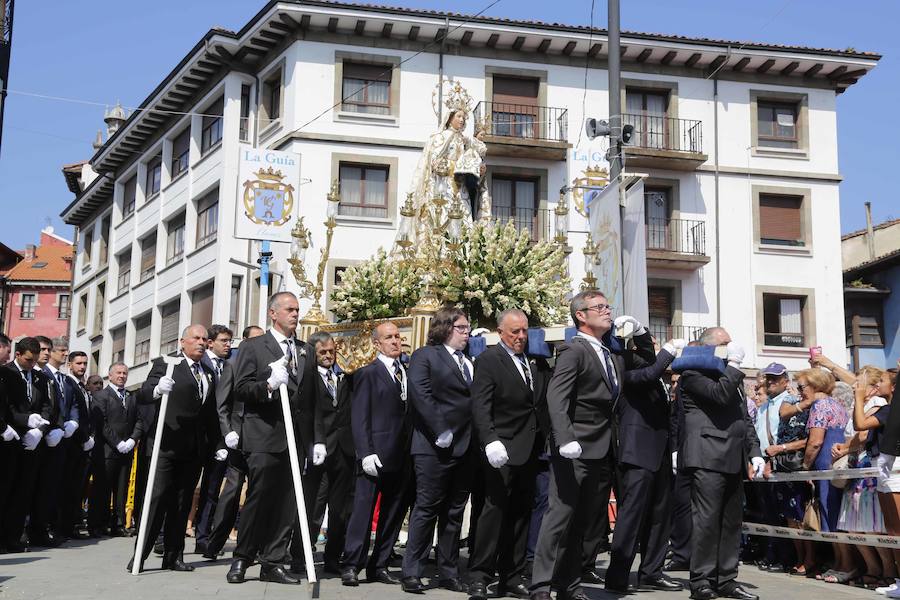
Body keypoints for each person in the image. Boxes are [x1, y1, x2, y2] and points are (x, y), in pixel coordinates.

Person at [529, 291, 623, 600]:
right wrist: (565, 438)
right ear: (581, 315)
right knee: (559, 518)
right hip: (574, 449)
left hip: (599, 449)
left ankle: (568, 585)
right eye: (600, 307)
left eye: (607, 306)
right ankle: (541, 585)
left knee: (582, 521)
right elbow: (556, 397)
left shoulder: (606, 352)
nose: (607, 311)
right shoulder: (574, 349)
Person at [226, 292, 317, 585]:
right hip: (264, 435)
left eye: (297, 310)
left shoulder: (306, 351)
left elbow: (311, 399)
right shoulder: (253, 347)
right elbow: (240, 388)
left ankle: (273, 561)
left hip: (296, 440)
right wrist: (267, 386)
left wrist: (316, 440)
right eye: (289, 309)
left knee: (288, 502)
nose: (295, 314)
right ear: (273, 313)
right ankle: (242, 558)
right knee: (260, 498)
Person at [468, 309, 552, 600]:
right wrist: (490, 440)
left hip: (530, 449)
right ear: (501, 332)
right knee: (493, 513)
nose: (520, 337)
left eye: (524, 331)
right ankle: (479, 575)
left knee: (521, 514)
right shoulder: (489, 360)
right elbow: (480, 405)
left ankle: (511, 575)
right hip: (501, 449)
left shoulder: (534, 361)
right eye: (514, 332)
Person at [678, 327, 761, 600]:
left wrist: (755, 452)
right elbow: (719, 395)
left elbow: (744, 419)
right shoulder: (693, 375)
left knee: (731, 522)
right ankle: (701, 581)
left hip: (733, 457)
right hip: (707, 455)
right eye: (725, 344)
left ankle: (726, 579)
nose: (730, 348)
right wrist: (735, 366)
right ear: (709, 348)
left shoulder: (731, 378)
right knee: (707, 522)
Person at [129, 324, 216, 572]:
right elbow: (143, 394)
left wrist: (216, 443)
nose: (201, 342)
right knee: (157, 500)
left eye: (204, 339)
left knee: (182, 502)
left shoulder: (207, 371)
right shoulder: (167, 364)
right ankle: (140, 555)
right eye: (196, 338)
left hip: (193, 449)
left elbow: (208, 412)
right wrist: (157, 389)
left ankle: (174, 555)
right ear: (182, 341)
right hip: (166, 444)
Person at [604, 331, 685, 593]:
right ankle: (617, 575)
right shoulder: (626, 368)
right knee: (631, 517)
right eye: (650, 344)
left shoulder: (657, 375)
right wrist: (668, 350)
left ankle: (652, 572)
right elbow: (649, 370)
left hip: (659, 452)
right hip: (637, 452)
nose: (656, 347)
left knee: (660, 516)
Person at [401, 307, 474, 594]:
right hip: (434, 446)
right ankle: (412, 571)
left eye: (468, 328)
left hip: (465, 446)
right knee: (427, 508)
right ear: (445, 328)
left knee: (454, 512)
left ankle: (448, 570)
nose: (467, 333)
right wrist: (440, 428)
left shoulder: (468, 361)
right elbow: (421, 393)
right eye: (462, 328)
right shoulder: (425, 356)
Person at [341, 321, 411, 586]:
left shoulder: (406, 370)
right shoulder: (368, 373)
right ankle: (351, 564)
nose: (395, 341)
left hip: (401, 454)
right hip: (375, 454)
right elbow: (360, 416)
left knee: (392, 512)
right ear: (377, 343)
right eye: (389, 337)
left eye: (398, 336)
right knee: (363, 510)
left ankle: (379, 564)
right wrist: (365, 452)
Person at [203, 325, 263, 560]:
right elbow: (222, 404)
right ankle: (215, 543)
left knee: (257, 495)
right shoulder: (233, 365)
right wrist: (228, 431)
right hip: (238, 439)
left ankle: (251, 544)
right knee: (230, 493)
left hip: (261, 440)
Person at [299, 331, 354, 575]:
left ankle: (333, 557)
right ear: (313, 353)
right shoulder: (308, 378)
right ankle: (301, 555)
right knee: (313, 506)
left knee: (340, 509)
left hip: (343, 450)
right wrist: (315, 442)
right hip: (319, 450)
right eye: (323, 352)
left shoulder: (343, 377)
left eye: (332, 351)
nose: (329, 356)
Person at [796, 368, 849, 583]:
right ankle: (840, 562)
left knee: (830, 514)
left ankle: (843, 564)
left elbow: (816, 441)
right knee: (836, 515)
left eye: (802, 387)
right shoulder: (838, 405)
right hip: (836, 466)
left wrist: (806, 465)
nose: (799, 392)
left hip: (825, 466)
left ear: (816, 385)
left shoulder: (820, 406)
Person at [0, 337, 53, 552]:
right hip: (10, 439)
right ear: (18, 354)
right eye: (28, 360)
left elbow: (48, 407)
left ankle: (13, 538)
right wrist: (24, 420)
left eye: (34, 360)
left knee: (24, 491)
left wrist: (39, 430)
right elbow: (6, 407)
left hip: (32, 442)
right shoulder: (6, 373)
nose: (32, 365)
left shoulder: (40, 378)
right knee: (6, 490)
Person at [88, 362, 142, 538]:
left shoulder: (132, 396)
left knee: (121, 490)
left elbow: (139, 420)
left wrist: (133, 439)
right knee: (102, 489)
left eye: (125, 373)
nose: (122, 376)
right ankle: (97, 524)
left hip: (126, 451)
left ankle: (118, 524)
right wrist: (117, 442)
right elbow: (101, 423)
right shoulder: (101, 396)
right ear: (109, 376)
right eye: (118, 373)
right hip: (107, 451)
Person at [193, 324, 233, 556]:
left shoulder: (229, 365)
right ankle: (165, 537)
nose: (228, 345)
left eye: (229, 341)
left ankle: (203, 537)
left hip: (220, 440)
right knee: (185, 489)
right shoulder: (200, 363)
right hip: (197, 436)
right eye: (224, 341)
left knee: (211, 490)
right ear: (210, 342)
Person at [31, 336, 75, 546]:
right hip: (38, 437)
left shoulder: (62, 379)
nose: (47, 353)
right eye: (45, 349)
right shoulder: (41, 374)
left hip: (57, 438)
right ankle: (30, 529)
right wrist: (48, 428)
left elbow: (67, 405)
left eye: (50, 349)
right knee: (35, 487)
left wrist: (69, 424)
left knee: (51, 487)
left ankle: (43, 528)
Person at [60, 350, 92, 540]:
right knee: (68, 487)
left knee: (78, 487)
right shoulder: (68, 383)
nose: (82, 367)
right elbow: (73, 413)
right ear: (70, 364)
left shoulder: (83, 386)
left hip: (84, 444)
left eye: (85, 363)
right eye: (78, 363)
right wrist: (83, 438)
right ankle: (64, 527)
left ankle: (72, 524)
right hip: (73, 442)